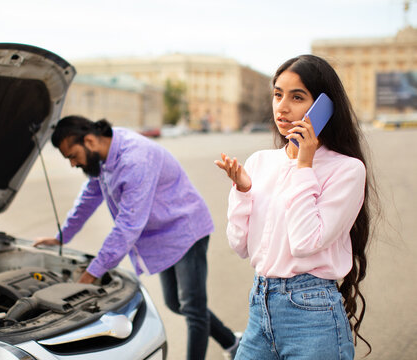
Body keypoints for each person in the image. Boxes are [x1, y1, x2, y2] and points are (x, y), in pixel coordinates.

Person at [34, 115, 240, 360]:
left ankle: (228, 347)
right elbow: (89, 197)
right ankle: (232, 342)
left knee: (193, 309)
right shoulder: (104, 152)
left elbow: (128, 226)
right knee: (176, 303)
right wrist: (62, 237)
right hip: (162, 238)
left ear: (89, 140)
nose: (72, 164)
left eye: (72, 156)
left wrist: (92, 274)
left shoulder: (135, 159)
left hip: (186, 230)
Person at [215, 54, 375, 359]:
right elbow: (239, 245)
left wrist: (305, 165)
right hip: (260, 307)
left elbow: (306, 242)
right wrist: (243, 192)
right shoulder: (261, 161)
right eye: (277, 94)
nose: (282, 107)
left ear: (323, 107)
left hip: (311, 315)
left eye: (297, 97)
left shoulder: (347, 170)